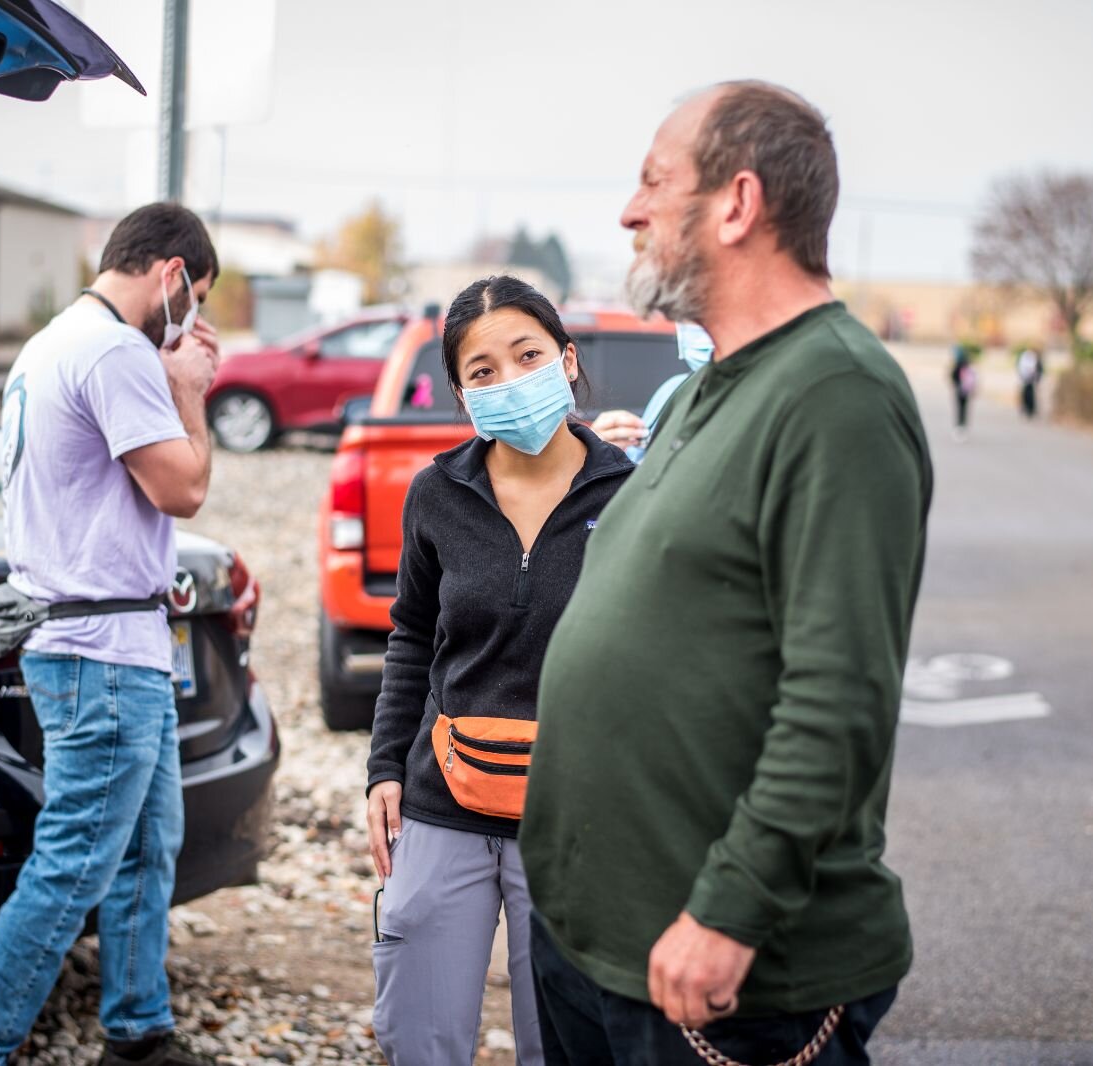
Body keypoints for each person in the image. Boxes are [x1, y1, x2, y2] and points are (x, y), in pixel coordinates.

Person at [520, 81, 933, 1065]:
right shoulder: (711, 384)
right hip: (597, 947)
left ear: (737, 205)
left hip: (722, 978)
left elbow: (836, 703)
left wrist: (730, 911)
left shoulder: (834, 396)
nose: (629, 211)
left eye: (654, 182)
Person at [0, 203, 222, 1066]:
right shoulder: (114, 351)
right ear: (170, 272)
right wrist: (188, 393)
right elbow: (184, 489)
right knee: (72, 870)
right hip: (103, 655)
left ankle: (139, 1033)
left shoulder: (51, 343)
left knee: (145, 844)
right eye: (198, 296)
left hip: (105, 643)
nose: (196, 321)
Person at [365, 275, 635, 1065]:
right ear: (460, 392)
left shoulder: (633, 492)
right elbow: (412, 636)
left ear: (568, 359)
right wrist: (385, 767)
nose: (509, 380)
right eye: (483, 371)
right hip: (444, 793)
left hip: (574, 811)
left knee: (561, 1041)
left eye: (528, 355)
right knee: (416, 1031)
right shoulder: (436, 494)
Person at [590, 321, 715, 461]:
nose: (695, 323)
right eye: (688, 317)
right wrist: (600, 452)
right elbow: (638, 462)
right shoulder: (672, 388)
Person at [950, 343, 976, 440]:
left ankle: (960, 424)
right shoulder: (966, 364)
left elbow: (953, 376)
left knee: (960, 408)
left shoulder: (958, 364)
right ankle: (963, 424)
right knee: (963, 408)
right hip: (965, 389)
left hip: (960, 389)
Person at [1016, 346, 1044, 419]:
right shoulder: (1026, 357)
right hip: (1026, 379)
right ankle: (1027, 408)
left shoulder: (1033, 358)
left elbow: (1038, 370)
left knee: (1031, 395)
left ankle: (1031, 409)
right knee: (1026, 394)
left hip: (1031, 379)